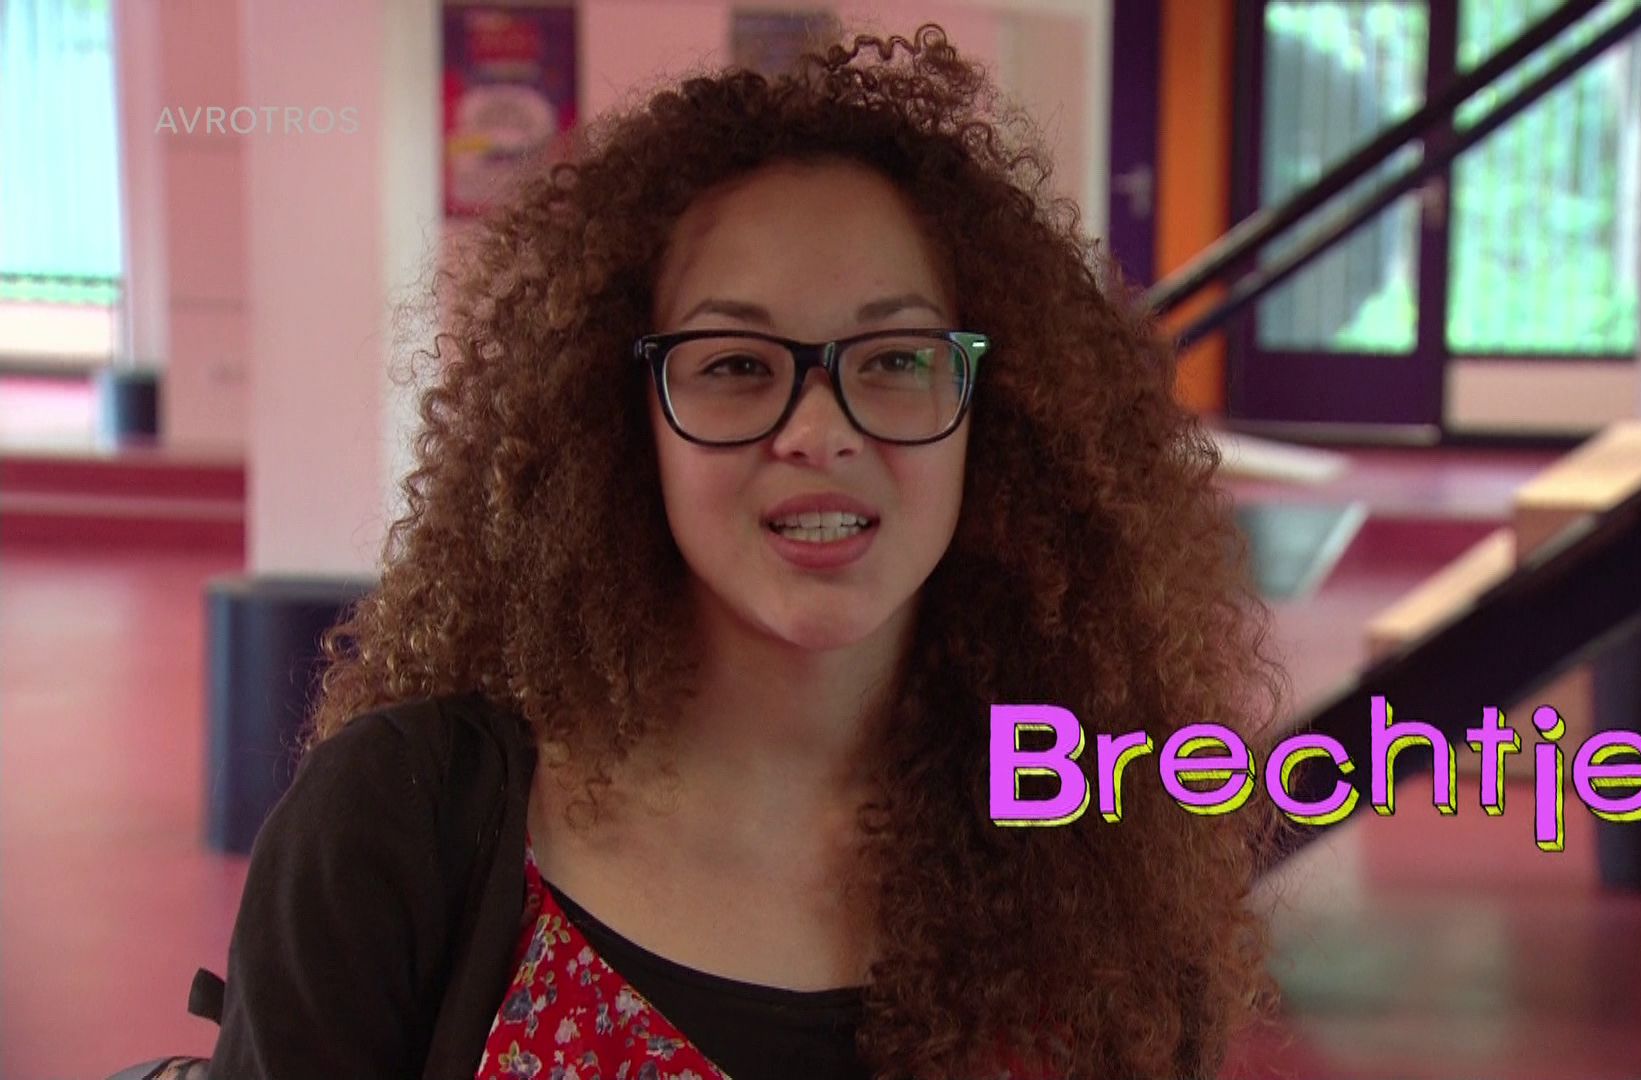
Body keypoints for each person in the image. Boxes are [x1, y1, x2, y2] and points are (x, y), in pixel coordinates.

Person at [207, 25, 1290, 1080]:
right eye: (733, 364)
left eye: (895, 358)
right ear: (624, 419)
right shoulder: (404, 824)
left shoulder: (1100, 863)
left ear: (993, 414)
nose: (819, 431)